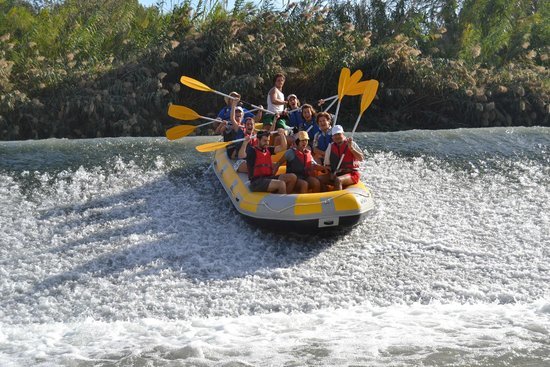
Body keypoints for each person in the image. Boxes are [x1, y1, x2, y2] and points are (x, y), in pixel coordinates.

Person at [241, 129, 297, 194]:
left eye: (268, 141)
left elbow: (283, 147)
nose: (267, 143)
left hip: (268, 178)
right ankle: (283, 201)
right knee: (281, 184)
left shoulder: (268, 149)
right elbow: (241, 155)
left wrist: (282, 135)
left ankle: (283, 197)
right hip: (257, 182)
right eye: (264, 141)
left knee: (292, 177)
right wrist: (245, 143)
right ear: (258, 140)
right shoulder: (252, 151)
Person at [319, 125, 364, 191]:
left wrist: (351, 149)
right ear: (332, 137)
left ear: (343, 134)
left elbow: (361, 158)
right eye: (335, 135)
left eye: (339, 134)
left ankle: (338, 199)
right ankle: (325, 195)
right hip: (337, 173)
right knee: (319, 179)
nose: (337, 137)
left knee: (338, 180)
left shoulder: (351, 144)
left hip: (351, 174)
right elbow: (327, 165)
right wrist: (331, 173)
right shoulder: (330, 147)